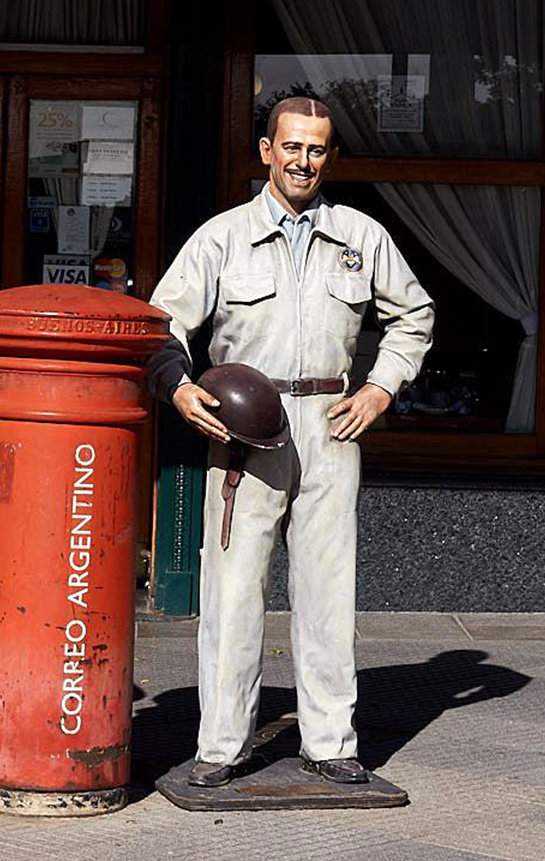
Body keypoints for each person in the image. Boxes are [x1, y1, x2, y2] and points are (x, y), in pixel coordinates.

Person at [149, 96, 433, 787]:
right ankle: (220, 746)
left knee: (329, 590)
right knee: (233, 592)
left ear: (329, 157)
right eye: (292, 147)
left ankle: (331, 741)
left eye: (318, 149)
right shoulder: (221, 237)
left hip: (332, 424)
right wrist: (180, 389)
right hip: (247, 433)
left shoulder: (361, 237)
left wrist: (379, 388)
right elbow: (159, 324)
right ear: (266, 151)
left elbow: (414, 314)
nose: (304, 160)